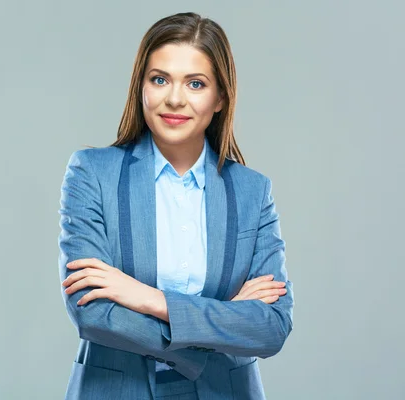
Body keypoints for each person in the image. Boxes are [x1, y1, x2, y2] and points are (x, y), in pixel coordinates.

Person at [58, 12, 294, 400]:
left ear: (220, 97)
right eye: (160, 79)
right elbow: (93, 312)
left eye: (196, 83)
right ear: (141, 87)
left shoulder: (253, 191)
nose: (174, 98)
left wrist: (150, 299)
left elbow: (271, 327)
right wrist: (219, 325)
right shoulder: (92, 174)